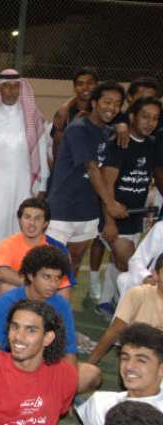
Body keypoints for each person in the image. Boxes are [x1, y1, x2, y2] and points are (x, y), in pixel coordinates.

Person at [0, 69, 48, 297]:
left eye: (15, 86)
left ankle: (17, 281)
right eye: (6, 86)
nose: (10, 91)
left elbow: (41, 153)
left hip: (24, 185)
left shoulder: (32, 119)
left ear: (21, 88)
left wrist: (42, 186)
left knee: (20, 230)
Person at [0, 245, 100, 392]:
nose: (53, 285)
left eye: (57, 278)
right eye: (47, 277)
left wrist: (68, 385)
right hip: (11, 363)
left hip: (46, 365)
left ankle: (46, 394)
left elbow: (69, 350)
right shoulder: (8, 301)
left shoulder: (61, 305)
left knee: (91, 373)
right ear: (31, 276)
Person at [47, 81, 127, 283]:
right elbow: (91, 168)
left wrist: (122, 126)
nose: (112, 107)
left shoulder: (108, 133)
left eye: (117, 104)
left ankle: (63, 302)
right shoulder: (78, 129)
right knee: (51, 265)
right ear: (94, 103)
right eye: (107, 102)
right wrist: (110, 204)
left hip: (88, 211)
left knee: (73, 262)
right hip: (62, 210)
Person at [95, 96, 161, 316]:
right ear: (132, 117)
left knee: (120, 262)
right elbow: (106, 184)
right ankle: (126, 314)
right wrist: (109, 222)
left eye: (154, 118)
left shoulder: (152, 145)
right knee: (130, 264)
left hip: (134, 217)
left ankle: (105, 302)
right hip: (114, 217)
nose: (150, 123)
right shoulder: (120, 143)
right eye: (145, 117)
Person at [78, 323, 163, 425]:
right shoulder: (100, 404)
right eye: (125, 358)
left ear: (161, 369)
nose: (129, 366)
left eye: (141, 360)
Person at [88, 253, 163, 364]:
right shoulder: (139, 294)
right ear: (155, 275)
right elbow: (115, 331)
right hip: (138, 361)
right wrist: (90, 363)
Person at [0, 197, 75, 298]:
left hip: (48, 295)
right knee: (6, 288)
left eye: (37, 218)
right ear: (20, 220)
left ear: (45, 223)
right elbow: (3, 272)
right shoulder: (8, 243)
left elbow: (64, 285)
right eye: (27, 217)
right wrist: (36, 287)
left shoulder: (57, 247)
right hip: (23, 290)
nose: (31, 223)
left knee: (64, 291)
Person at [50, 66, 100, 161]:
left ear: (97, 85)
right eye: (80, 84)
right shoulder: (64, 114)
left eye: (90, 83)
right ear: (74, 87)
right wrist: (73, 127)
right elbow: (56, 148)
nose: (85, 88)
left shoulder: (102, 111)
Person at [117, 220, 163, 296]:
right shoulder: (160, 228)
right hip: (156, 283)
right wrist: (146, 277)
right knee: (124, 279)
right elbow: (136, 260)